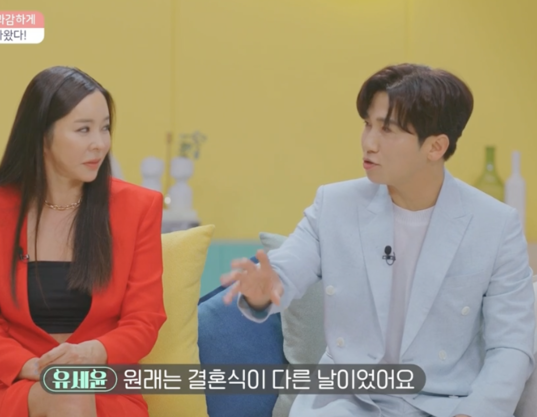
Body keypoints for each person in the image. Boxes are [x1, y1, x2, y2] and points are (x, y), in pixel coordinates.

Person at [221, 63, 535, 417]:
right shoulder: (334, 204)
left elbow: (511, 344)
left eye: (387, 129)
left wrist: (474, 413)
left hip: (443, 405)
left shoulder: (495, 225)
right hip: (345, 401)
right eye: (367, 124)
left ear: (435, 147)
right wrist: (264, 290)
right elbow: (288, 268)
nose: (368, 142)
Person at [0, 66, 167, 417]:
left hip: (106, 386)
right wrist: (34, 367)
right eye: (84, 129)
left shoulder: (138, 208)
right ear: (42, 135)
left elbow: (144, 320)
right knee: (65, 390)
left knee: (70, 389)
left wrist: (91, 354)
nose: (100, 143)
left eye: (105, 128)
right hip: (24, 385)